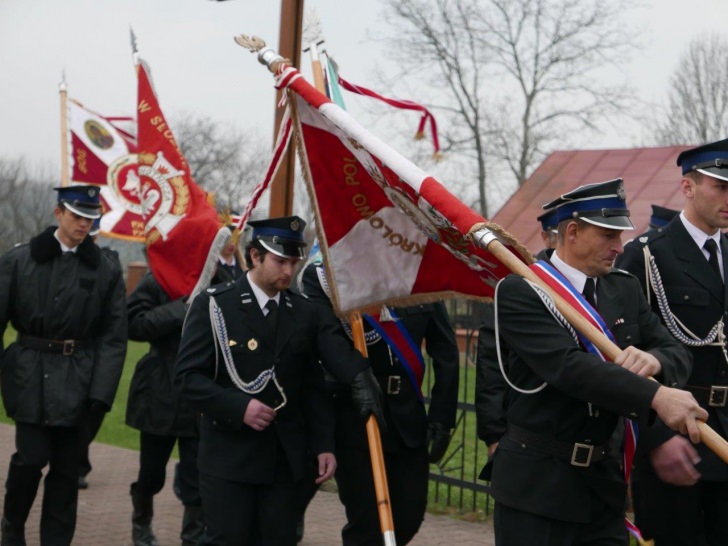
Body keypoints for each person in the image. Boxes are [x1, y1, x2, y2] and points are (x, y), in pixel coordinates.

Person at [487, 178, 706, 546]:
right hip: (539, 487)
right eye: (608, 236)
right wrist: (656, 397)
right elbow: (569, 369)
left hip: (603, 488)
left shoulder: (622, 288)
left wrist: (654, 361)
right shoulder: (523, 290)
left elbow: (678, 350)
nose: (619, 248)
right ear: (572, 231)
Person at [175, 215, 384, 545]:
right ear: (255, 256)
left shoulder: (304, 311)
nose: (289, 271)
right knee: (227, 540)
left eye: (294, 262)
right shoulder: (216, 305)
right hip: (230, 455)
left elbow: (313, 388)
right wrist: (239, 406)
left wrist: (324, 445)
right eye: (280, 261)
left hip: (284, 460)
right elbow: (188, 380)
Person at [0, 185, 127, 546]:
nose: (83, 224)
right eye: (77, 216)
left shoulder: (105, 269)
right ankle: (12, 524)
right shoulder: (19, 261)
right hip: (29, 375)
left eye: (90, 218)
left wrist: (101, 394)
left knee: (67, 471)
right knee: (30, 459)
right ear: (58, 213)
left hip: (80, 379)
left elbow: (113, 337)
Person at [615, 139, 728, 546]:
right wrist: (655, 438)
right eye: (721, 186)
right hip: (677, 433)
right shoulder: (647, 256)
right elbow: (621, 355)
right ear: (688, 188)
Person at [299, 261, 460, 546]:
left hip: (408, 420)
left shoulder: (417, 275)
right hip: (357, 418)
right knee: (369, 526)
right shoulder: (327, 276)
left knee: (409, 516)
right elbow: (328, 338)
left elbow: (445, 350)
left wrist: (442, 418)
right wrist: (357, 376)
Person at [125, 269, 205, 546]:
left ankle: (192, 538)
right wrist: (178, 310)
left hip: (201, 390)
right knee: (151, 472)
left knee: (197, 475)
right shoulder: (157, 277)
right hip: (160, 388)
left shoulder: (220, 277)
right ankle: (141, 524)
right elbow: (133, 324)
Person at [475, 208, 560, 470]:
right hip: (525, 433)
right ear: (545, 238)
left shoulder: (601, 287)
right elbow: (492, 366)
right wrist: (493, 433)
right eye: (558, 235)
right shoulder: (518, 287)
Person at [77, 216, 122, 490]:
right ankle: (75, 465)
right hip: (71, 347)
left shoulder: (108, 263)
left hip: (95, 350)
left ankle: (78, 461)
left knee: (91, 413)